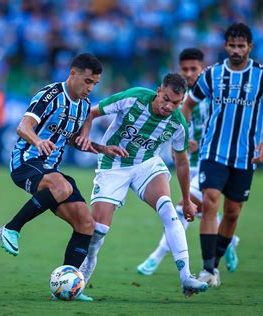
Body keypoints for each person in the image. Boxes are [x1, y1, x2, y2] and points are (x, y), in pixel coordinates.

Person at [0, 53, 127, 301]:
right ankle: (11, 229)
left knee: (86, 223)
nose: (90, 88)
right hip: (26, 163)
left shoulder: (84, 106)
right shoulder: (50, 95)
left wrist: (103, 148)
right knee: (61, 185)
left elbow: (76, 142)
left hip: (51, 172)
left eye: (95, 84)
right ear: (73, 74)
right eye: (87, 81)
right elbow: (23, 127)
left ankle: (68, 287)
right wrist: (38, 140)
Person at [76, 73, 209, 297]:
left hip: (146, 164)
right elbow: (92, 112)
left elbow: (182, 162)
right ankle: (80, 279)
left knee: (168, 209)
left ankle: (186, 277)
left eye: (176, 103)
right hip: (113, 165)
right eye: (166, 99)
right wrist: (86, 136)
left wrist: (187, 201)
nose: (169, 106)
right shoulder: (134, 98)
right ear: (159, 91)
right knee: (99, 230)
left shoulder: (178, 123)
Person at [181, 23, 263, 287]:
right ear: (225, 46)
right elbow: (187, 106)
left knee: (233, 212)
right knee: (210, 200)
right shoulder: (211, 74)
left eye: (241, 46)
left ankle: (215, 264)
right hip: (213, 152)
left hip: (245, 156)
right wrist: (186, 135)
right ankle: (206, 269)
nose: (236, 50)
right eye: (232, 45)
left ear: (250, 47)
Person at [137, 48, 240, 276]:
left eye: (194, 68)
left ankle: (155, 258)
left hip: (211, 162)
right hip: (187, 163)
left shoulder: (213, 94)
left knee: (183, 209)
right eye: (185, 69)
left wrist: (201, 141)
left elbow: (226, 125)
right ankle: (230, 240)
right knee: (201, 210)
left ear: (203, 69)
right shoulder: (176, 97)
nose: (189, 73)